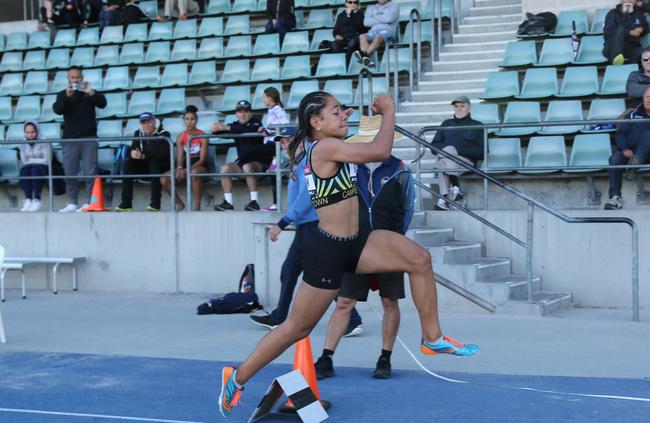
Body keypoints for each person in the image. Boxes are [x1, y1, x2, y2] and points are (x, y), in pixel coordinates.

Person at [218, 92, 479, 418]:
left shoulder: (328, 146)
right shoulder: (324, 148)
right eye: (336, 112)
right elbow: (380, 150)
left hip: (358, 241)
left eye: (344, 111)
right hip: (327, 251)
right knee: (295, 329)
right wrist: (388, 111)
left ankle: (433, 337)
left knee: (419, 259)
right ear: (316, 122)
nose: (343, 116)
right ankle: (238, 377)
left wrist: (351, 117)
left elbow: (366, 151)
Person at [250, 127, 364, 332]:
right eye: (282, 142)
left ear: (301, 141)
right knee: (293, 271)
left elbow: (308, 197)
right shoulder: (299, 163)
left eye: (289, 141)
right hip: (307, 226)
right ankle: (280, 315)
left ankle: (351, 320)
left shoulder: (308, 163)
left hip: (313, 225)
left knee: (319, 275)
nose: (285, 145)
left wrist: (282, 223)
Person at [314, 148, 412, 380]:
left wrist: (396, 238)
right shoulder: (346, 167)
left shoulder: (400, 169)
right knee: (344, 302)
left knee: (390, 300)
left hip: (390, 245)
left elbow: (408, 208)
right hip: (355, 246)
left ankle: (384, 358)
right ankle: (326, 357)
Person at [52, 66, 107, 212]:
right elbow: (57, 110)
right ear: (68, 79)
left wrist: (91, 92)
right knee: (70, 172)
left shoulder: (89, 93)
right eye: (72, 78)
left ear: (82, 78)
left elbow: (103, 103)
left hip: (89, 137)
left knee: (91, 172)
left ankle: (90, 201)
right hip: (70, 139)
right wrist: (67, 96)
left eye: (78, 77)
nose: (75, 80)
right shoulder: (63, 94)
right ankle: (72, 202)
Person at [211, 100, 271, 212]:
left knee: (247, 167)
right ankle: (228, 203)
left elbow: (248, 129)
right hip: (243, 164)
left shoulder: (256, 123)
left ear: (251, 113)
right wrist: (215, 127)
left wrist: (226, 128)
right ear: (236, 114)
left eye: (246, 111)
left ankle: (254, 202)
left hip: (260, 165)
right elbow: (216, 131)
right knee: (225, 168)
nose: (243, 114)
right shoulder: (235, 125)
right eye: (240, 111)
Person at [430, 96, 483, 211]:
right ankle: (454, 190)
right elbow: (433, 146)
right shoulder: (446, 123)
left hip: (466, 162)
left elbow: (482, 151)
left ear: (469, 108)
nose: (459, 109)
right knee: (446, 155)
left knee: (441, 162)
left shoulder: (477, 125)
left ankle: (445, 197)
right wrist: (450, 152)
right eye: (456, 106)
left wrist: (457, 151)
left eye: (462, 106)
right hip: (448, 160)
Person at [604, 86, 650, 209]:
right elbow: (620, 133)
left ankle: (634, 165)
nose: (648, 100)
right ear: (643, 98)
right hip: (630, 153)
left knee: (648, 134)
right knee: (615, 159)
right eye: (647, 97)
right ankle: (615, 198)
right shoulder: (632, 114)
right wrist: (624, 149)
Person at [115, 112, 171, 212]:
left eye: (148, 122)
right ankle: (126, 203)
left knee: (154, 164)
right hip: (145, 164)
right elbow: (134, 148)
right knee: (129, 164)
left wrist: (144, 155)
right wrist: (132, 153)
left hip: (162, 166)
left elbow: (163, 155)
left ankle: (155, 204)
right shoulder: (138, 133)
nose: (146, 125)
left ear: (154, 122)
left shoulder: (164, 134)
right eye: (143, 123)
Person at [161, 106, 208, 211]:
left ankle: (197, 207)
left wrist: (187, 170)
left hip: (200, 166)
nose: (190, 122)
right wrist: (179, 168)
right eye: (187, 119)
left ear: (196, 120)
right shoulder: (181, 137)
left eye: (192, 119)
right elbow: (180, 156)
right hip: (186, 165)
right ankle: (180, 204)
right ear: (184, 121)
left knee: (194, 173)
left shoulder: (202, 136)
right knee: (164, 178)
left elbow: (202, 159)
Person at [261, 87, 290, 212]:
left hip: (274, 143)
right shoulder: (271, 109)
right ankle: (275, 204)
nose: (263, 99)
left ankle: (276, 160)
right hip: (270, 142)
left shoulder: (278, 110)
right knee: (273, 175)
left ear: (270, 97)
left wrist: (268, 130)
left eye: (264, 97)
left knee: (250, 152)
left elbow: (284, 124)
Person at [353, 0, 399, 68]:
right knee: (362, 36)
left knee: (378, 37)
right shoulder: (371, 8)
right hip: (373, 31)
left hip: (388, 31)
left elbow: (389, 19)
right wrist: (383, 18)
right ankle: (366, 58)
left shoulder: (394, 6)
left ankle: (364, 56)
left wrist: (374, 17)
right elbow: (366, 23)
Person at [18, 121, 51, 213]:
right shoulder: (23, 143)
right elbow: (24, 161)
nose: (30, 135)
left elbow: (47, 160)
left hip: (44, 167)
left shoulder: (44, 141)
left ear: (37, 131)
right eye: (27, 132)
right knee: (24, 171)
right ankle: (28, 199)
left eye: (32, 132)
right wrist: (33, 161)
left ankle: (37, 199)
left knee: (35, 170)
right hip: (30, 166)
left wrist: (31, 160)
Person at [603, 0, 648, 65]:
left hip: (631, 47)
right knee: (620, 29)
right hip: (611, 48)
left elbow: (645, 27)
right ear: (621, 0)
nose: (629, 0)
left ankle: (629, 72)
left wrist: (642, 29)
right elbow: (608, 32)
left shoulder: (639, 14)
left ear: (635, 1)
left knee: (642, 53)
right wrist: (629, 32)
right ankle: (616, 57)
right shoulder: (612, 13)